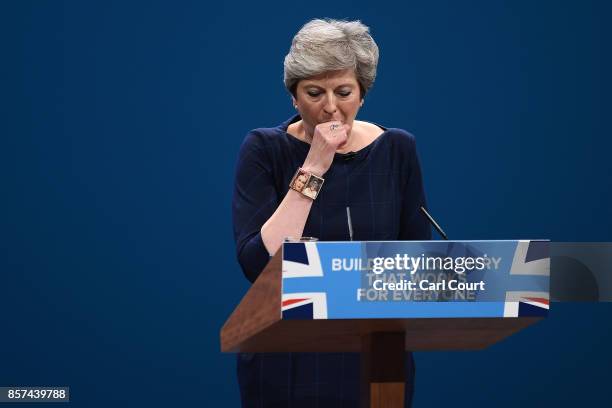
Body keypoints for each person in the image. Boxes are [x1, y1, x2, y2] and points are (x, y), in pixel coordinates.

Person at [232, 18, 431, 407]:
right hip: (286, 358)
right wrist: (315, 165)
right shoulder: (263, 150)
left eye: (343, 91)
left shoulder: (398, 150)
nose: (330, 107)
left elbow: (417, 265)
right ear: (293, 96)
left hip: (379, 359)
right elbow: (257, 264)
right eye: (313, 92)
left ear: (362, 94)